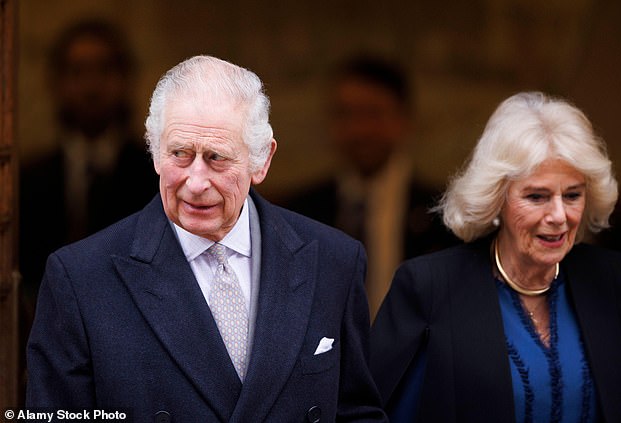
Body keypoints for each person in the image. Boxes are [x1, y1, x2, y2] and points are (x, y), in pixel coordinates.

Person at [26, 55, 387, 422]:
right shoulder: (80, 279)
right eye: (180, 154)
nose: (196, 183)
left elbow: (356, 412)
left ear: (261, 161)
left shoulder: (334, 261)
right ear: (155, 153)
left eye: (216, 158)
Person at [370, 92, 621, 422]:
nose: (559, 215)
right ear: (497, 198)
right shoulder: (430, 288)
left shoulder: (616, 280)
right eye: (537, 196)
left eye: (572, 195)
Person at [283, 55, 457, 320]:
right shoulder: (300, 214)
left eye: (373, 114)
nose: (359, 130)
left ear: (403, 119)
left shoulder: (443, 215)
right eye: (346, 115)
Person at [20, 18, 157, 305]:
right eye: (78, 72)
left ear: (125, 79)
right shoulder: (29, 181)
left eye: (104, 70)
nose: (91, 87)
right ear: (57, 83)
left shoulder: (156, 176)